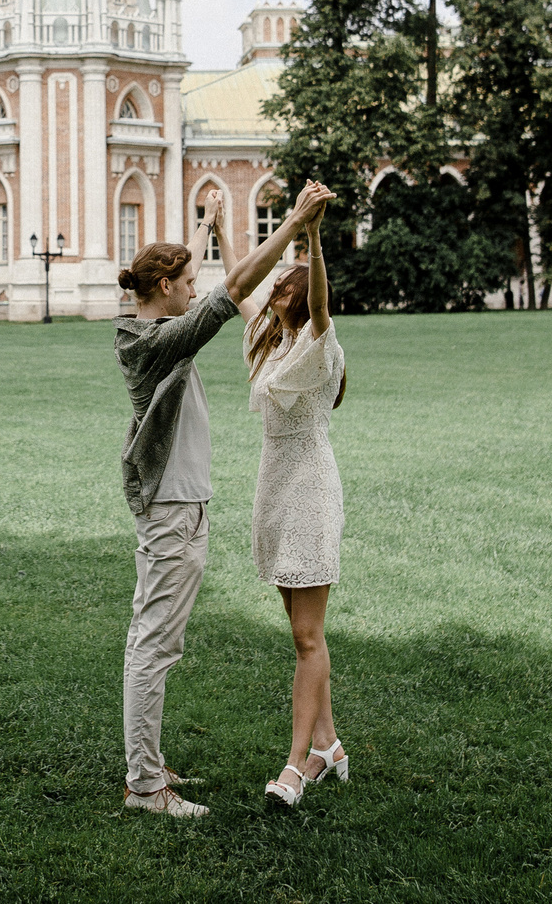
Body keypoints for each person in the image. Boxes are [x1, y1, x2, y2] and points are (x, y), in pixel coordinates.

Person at [116, 179, 334, 818]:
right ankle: (145, 786)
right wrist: (295, 222)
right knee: (153, 645)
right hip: (172, 510)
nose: (194, 290)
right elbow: (235, 290)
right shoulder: (157, 342)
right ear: (163, 291)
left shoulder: (153, 324)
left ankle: (149, 766)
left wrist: (211, 228)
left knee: (153, 641)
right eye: (185, 284)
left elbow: (211, 282)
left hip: (181, 507)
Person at [243, 216, 350, 809]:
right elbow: (244, 299)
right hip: (274, 488)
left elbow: (320, 302)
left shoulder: (319, 344)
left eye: (288, 287)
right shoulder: (274, 343)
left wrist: (311, 243)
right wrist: (218, 235)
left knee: (309, 637)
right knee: (301, 632)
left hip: (309, 489)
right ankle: (328, 744)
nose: (278, 292)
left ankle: (294, 765)